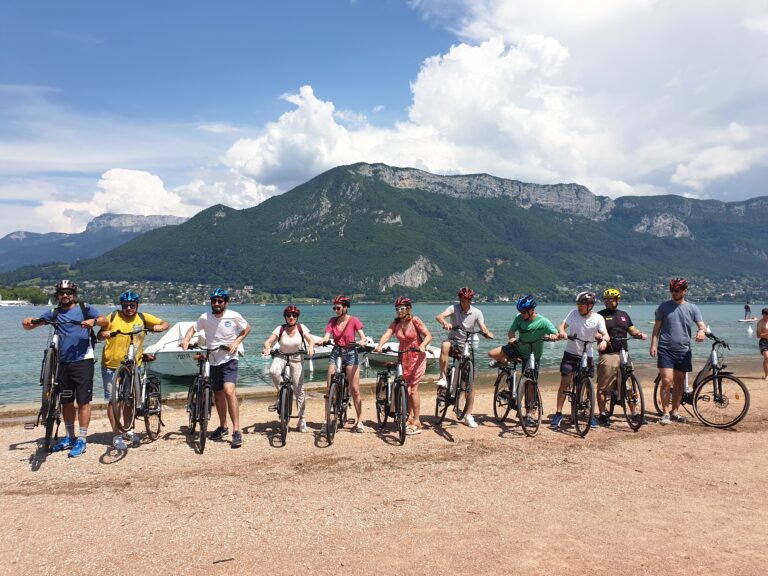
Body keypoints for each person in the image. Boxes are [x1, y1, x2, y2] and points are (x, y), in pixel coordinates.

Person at [22, 280, 107, 457]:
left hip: (83, 360)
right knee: (66, 401)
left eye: (68, 293)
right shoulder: (54, 312)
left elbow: (104, 321)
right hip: (62, 362)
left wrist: (93, 321)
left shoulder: (85, 308)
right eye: (62, 293)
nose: (65, 296)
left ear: (73, 294)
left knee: (83, 401)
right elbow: (35, 324)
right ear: (57, 296)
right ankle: (69, 436)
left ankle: (82, 439)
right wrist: (28, 322)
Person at [97, 290, 169, 450]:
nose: (129, 308)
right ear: (121, 305)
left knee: (129, 400)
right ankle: (116, 435)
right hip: (110, 365)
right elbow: (99, 335)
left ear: (137, 305)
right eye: (126, 305)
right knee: (113, 401)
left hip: (132, 364)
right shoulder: (113, 316)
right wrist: (105, 333)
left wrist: (159, 328)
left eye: (132, 305)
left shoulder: (142, 318)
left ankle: (128, 429)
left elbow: (165, 323)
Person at [180, 288, 250, 447]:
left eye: (220, 301)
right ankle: (223, 426)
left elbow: (247, 328)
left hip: (230, 358)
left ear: (226, 303)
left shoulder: (234, 315)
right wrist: (186, 339)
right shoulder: (205, 317)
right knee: (217, 394)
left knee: (228, 390)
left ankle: (236, 431)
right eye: (214, 301)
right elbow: (193, 329)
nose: (216, 304)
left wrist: (236, 342)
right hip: (213, 360)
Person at [488, 295, 558, 425]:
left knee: (530, 384)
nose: (522, 314)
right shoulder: (519, 318)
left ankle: (529, 414)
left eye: (524, 312)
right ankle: (504, 363)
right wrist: (512, 338)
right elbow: (511, 332)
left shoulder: (543, 321)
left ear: (532, 310)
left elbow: (555, 332)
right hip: (518, 349)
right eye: (520, 311)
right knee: (491, 353)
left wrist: (554, 336)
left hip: (533, 357)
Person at [649, 277, 706, 425]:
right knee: (667, 380)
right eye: (672, 291)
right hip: (665, 349)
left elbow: (701, 325)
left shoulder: (693, 308)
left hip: (683, 350)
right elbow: (656, 328)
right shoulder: (663, 307)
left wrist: (701, 332)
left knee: (679, 382)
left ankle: (675, 411)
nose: (674, 293)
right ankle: (665, 412)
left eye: (677, 290)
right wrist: (653, 344)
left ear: (684, 291)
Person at [435, 287, 493, 428]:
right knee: (444, 346)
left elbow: (483, 326)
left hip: (467, 343)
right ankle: (443, 377)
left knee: (471, 384)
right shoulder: (453, 308)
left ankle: (468, 415)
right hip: (454, 341)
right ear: (460, 300)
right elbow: (439, 316)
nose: (465, 303)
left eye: (468, 300)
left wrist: (486, 332)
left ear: (471, 300)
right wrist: (445, 323)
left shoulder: (477, 312)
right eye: (463, 300)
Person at [374, 296, 433, 434]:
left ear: (408, 309)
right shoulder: (396, 323)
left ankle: (417, 421)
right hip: (403, 358)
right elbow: (387, 334)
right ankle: (409, 417)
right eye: (397, 309)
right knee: (405, 390)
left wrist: (423, 345)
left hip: (417, 357)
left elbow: (428, 335)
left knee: (413, 390)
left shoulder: (415, 320)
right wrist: (379, 345)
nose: (399, 311)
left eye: (402, 308)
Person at [552, 292, 609, 429]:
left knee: (588, 385)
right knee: (565, 383)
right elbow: (561, 326)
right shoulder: (573, 314)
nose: (579, 307)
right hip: (571, 353)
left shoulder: (598, 318)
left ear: (590, 306)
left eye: (582, 305)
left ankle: (589, 414)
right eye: (578, 304)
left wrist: (604, 342)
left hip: (587, 354)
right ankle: (558, 413)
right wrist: (562, 332)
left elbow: (605, 334)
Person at [595, 288, 647, 426]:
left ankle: (634, 413)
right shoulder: (599, 315)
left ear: (618, 300)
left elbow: (632, 329)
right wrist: (600, 337)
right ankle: (602, 414)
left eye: (611, 299)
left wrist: (639, 334)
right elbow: (596, 332)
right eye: (606, 299)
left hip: (624, 353)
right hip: (608, 354)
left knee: (629, 385)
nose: (608, 301)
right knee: (603, 387)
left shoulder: (624, 315)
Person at [262, 305, 315, 433]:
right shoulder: (280, 329)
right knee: (273, 371)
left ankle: (302, 418)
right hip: (281, 356)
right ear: (285, 317)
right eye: (289, 315)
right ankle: (281, 393)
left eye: (294, 315)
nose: (291, 317)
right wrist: (268, 347)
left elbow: (311, 340)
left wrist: (311, 347)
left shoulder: (301, 328)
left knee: (298, 388)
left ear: (297, 317)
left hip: (297, 358)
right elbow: (268, 341)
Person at [320, 295, 368, 432]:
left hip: (351, 353)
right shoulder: (332, 321)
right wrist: (324, 340)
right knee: (329, 388)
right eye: (334, 308)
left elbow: (363, 337)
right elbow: (327, 335)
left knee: (355, 389)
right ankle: (326, 420)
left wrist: (362, 342)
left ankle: (359, 421)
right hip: (336, 352)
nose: (336, 310)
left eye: (338, 307)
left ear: (345, 308)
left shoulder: (354, 320)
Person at [756, 308, 768, 380]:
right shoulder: (760, 323)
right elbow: (758, 335)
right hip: (763, 342)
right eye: (766, 315)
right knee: (766, 357)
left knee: (767, 359)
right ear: (763, 314)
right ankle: (767, 375)